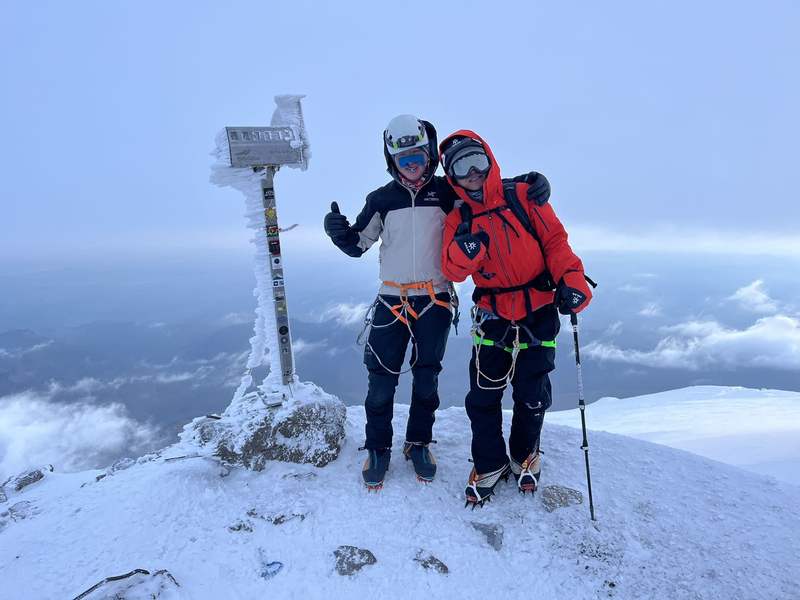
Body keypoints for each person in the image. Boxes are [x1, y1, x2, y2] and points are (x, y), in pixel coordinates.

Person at [323, 115, 548, 490]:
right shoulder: (381, 200)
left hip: (435, 298)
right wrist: (339, 233)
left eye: (418, 157)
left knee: (427, 378)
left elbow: (489, 188)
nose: (412, 166)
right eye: (403, 159)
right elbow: (358, 245)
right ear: (391, 160)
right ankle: (378, 446)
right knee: (381, 382)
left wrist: (530, 182)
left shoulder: (448, 193)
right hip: (391, 298)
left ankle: (419, 443)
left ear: (429, 155)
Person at [439, 129, 593, 507]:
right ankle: (489, 462)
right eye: (462, 167)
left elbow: (555, 241)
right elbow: (452, 269)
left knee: (532, 391)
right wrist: (466, 251)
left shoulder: (524, 196)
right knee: (484, 393)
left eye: (478, 160)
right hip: (493, 313)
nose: (473, 172)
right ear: (451, 175)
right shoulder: (458, 219)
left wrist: (572, 279)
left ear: (490, 160)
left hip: (539, 305)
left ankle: (525, 453)